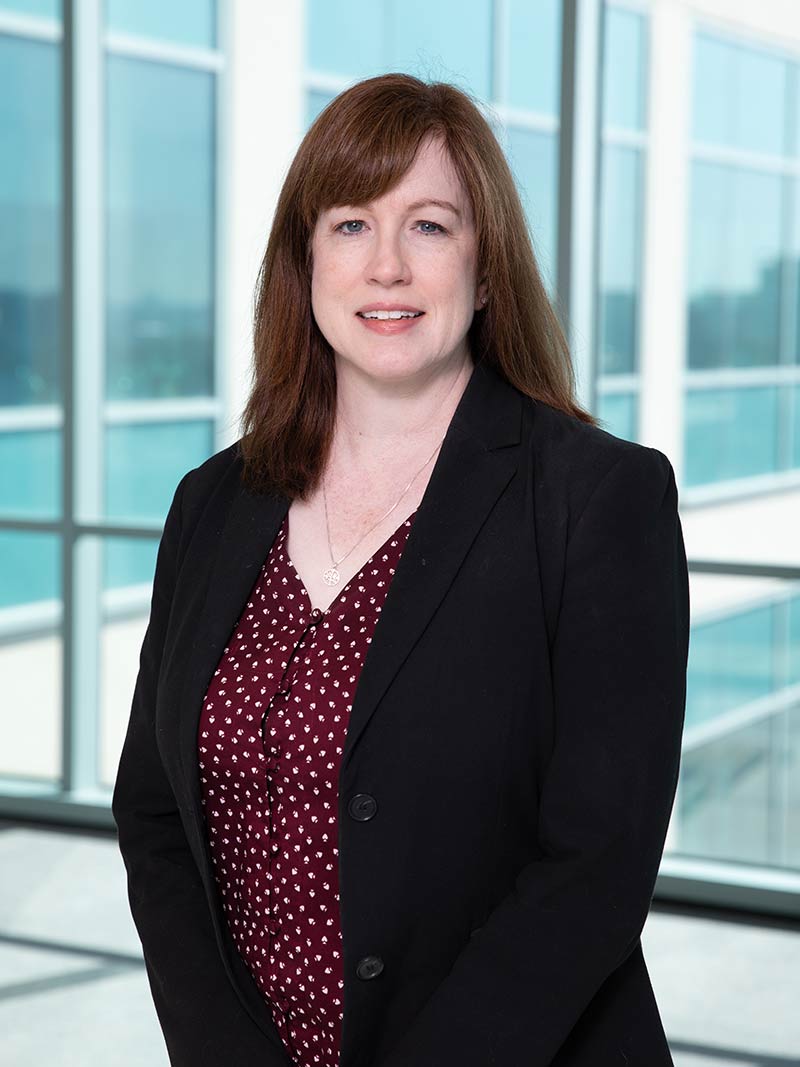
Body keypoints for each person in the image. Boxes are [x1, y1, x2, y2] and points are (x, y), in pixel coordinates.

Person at [112, 72, 689, 1067]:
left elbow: (594, 863)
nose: (384, 266)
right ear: (304, 260)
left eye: (427, 226)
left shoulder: (596, 499)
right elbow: (154, 808)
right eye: (348, 225)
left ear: (484, 263)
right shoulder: (210, 503)